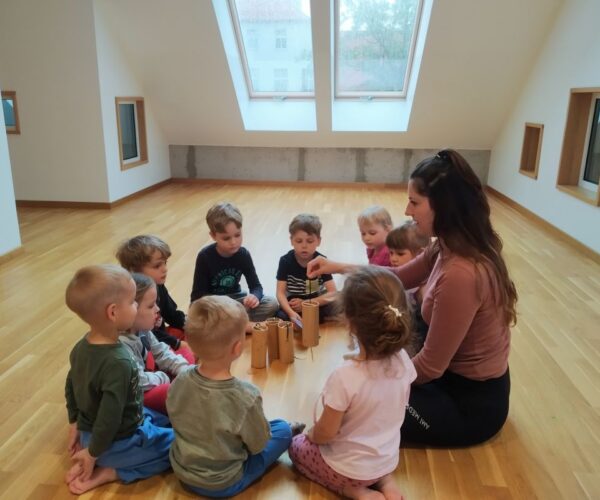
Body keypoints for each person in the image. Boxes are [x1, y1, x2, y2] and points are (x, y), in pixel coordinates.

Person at [307, 149, 517, 447]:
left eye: (415, 202)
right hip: (446, 378)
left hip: (468, 403)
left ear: (443, 206)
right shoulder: (447, 244)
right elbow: (396, 276)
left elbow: (430, 367)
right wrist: (338, 267)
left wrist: (366, 377)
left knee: (357, 408)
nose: (407, 210)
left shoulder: (462, 273)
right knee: (355, 392)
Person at [289, 266, 415, 499]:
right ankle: (385, 482)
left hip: (348, 469)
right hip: (386, 459)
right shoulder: (404, 361)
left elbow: (326, 433)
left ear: (350, 323)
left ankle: (353, 490)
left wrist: (310, 435)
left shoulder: (346, 377)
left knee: (295, 447)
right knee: (372, 458)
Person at [166, 295, 304, 497]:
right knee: (282, 429)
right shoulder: (245, 395)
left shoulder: (181, 378)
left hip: (183, 472)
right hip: (224, 482)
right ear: (238, 348)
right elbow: (257, 446)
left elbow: (175, 415)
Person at [64, 265, 174, 494]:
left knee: (173, 422)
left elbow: (71, 386)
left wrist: (74, 421)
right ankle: (112, 472)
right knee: (185, 446)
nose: (136, 305)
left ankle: (105, 459)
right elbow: (110, 416)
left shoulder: (79, 348)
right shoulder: (120, 362)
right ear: (113, 312)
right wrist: (93, 454)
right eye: (133, 301)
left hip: (94, 434)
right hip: (114, 442)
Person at [190, 202, 279, 332]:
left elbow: (256, 286)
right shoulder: (205, 256)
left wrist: (254, 296)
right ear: (213, 236)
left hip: (236, 301)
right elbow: (197, 296)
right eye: (226, 238)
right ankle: (245, 325)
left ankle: (231, 326)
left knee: (272, 303)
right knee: (197, 315)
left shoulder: (243, 254)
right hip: (215, 305)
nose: (233, 242)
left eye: (237, 235)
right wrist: (222, 304)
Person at [120, 273, 191, 414]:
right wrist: (164, 378)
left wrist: (184, 369)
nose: (158, 309)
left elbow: (162, 352)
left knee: (186, 356)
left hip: (150, 377)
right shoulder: (121, 346)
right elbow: (138, 382)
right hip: (135, 395)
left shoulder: (143, 330)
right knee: (168, 391)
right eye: (151, 305)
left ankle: (183, 389)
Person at [116, 235, 194, 363]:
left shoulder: (158, 285)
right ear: (134, 271)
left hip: (160, 337)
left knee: (190, 333)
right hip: (148, 346)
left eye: (165, 263)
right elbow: (147, 333)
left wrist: (192, 326)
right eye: (157, 266)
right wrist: (177, 344)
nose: (165, 269)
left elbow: (171, 314)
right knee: (188, 355)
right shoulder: (135, 297)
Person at [275, 213, 337, 324]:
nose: (304, 246)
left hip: (315, 302)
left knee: (339, 303)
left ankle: (308, 319)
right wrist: (291, 313)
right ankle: (306, 319)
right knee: (280, 315)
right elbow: (280, 293)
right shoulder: (285, 261)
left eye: (309, 241)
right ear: (291, 240)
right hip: (293, 305)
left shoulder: (321, 261)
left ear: (318, 241)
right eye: (299, 241)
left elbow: (332, 292)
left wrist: (307, 303)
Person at [386, 221, 431, 350]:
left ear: (421, 254)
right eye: (391, 253)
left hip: (416, 341)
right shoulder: (399, 275)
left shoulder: (424, 287)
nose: (393, 259)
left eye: (400, 254)